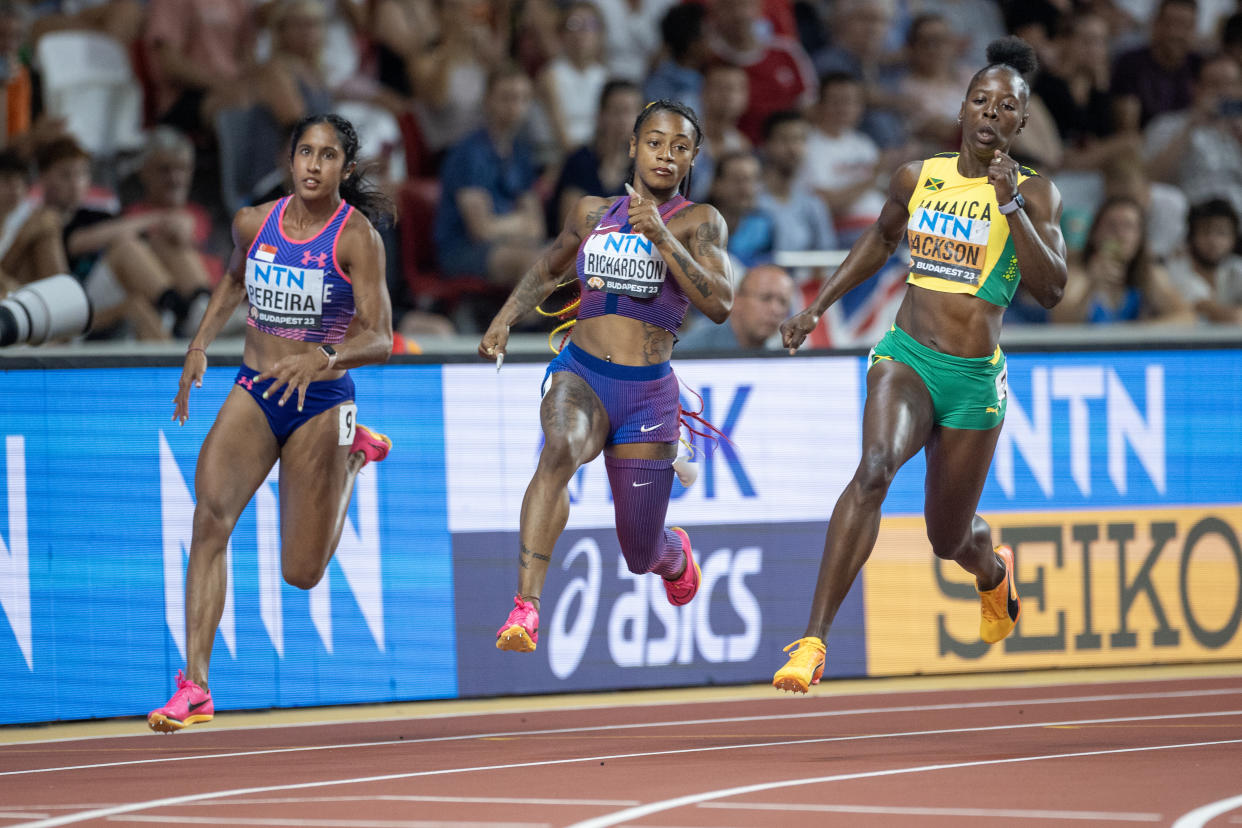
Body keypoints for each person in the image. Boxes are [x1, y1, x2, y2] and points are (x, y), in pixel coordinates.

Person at [771, 38, 1069, 693]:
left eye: (1007, 106)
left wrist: (1010, 205)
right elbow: (879, 242)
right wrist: (814, 306)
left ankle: (992, 572)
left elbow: (1051, 291)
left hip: (972, 383)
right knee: (874, 470)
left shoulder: (1036, 194)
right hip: (904, 358)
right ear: (963, 108)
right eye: (980, 100)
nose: (991, 113)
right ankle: (812, 643)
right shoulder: (918, 176)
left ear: (1021, 123)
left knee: (948, 538)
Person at [148, 114, 395, 732]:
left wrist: (325, 357)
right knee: (209, 517)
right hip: (256, 390)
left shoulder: (355, 238)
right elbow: (233, 280)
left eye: (328, 155)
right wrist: (200, 344)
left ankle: (357, 456)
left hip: (322, 399)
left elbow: (382, 336)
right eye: (305, 153)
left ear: (346, 168)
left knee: (302, 574)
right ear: (290, 161)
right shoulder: (253, 223)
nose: (314, 165)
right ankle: (196, 686)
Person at [477, 99, 734, 654]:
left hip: (648, 399)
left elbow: (721, 304)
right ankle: (527, 607)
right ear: (634, 147)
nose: (666, 155)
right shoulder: (592, 213)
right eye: (655, 142)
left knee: (639, 554)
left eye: (680, 147)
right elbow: (549, 267)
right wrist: (502, 319)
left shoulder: (699, 221)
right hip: (581, 374)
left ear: (692, 158)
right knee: (560, 450)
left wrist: (663, 239)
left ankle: (673, 553)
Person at [1051, 195, 1194, 324]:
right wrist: (1092, 287)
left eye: (1128, 226)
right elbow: (1061, 322)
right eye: (1111, 225)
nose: (1120, 234)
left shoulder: (1149, 274)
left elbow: (1186, 317)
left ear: (1140, 238)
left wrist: (1136, 334)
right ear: (1095, 234)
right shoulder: (1078, 274)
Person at [679, 263, 792, 349]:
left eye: (783, 302)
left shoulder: (782, 356)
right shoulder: (691, 350)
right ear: (736, 300)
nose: (775, 310)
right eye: (765, 298)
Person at [1165, 197, 1242, 323]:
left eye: (1222, 233)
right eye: (1206, 232)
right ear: (1191, 237)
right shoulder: (1176, 270)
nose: (1213, 241)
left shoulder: (1236, 268)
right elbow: (1213, 311)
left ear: (1234, 239)